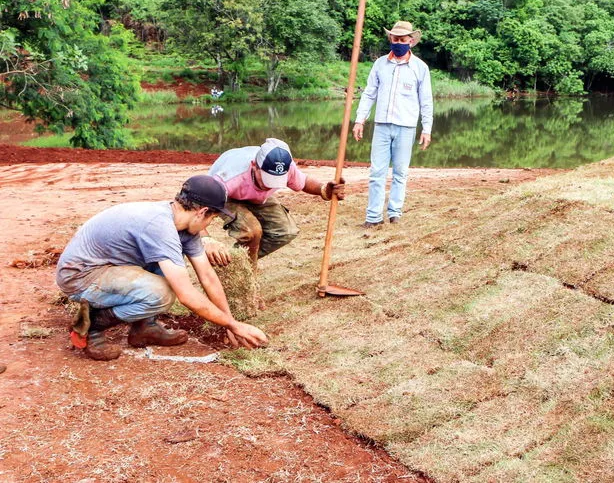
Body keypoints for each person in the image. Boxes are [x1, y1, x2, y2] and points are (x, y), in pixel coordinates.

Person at [56, 175, 270, 361]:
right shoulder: (160, 227)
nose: (209, 225)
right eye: (212, 218)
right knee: (163, 294)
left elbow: (207, 276)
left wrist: (229, 323)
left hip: (111, 266)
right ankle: (91, 326)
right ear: (201, 212)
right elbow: (186, 295)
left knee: (171, 268)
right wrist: (235, 325)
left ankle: (144, 328)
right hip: (81, 276)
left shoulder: (183, 227)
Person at [202, 138, 345, 268]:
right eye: (266, 179)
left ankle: (236, 263)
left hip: (255, 196)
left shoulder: (284, 166)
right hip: (226, 196)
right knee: (252, 231)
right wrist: (206, 239)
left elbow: (303, 182)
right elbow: (199, 205)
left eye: (276, 180)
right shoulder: (228, 177)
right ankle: (242, 269)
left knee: (285, 231)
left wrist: (324, 190)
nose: (269, 185)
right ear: (254, 166)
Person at [352, 20, 433, 228]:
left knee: (400, 172)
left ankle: (395, 213)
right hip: (381, 126)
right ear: (390, 39)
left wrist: (427, 129)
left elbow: (426, 101)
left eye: (402, 39)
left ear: (411, 41)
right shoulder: (380, 64)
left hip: (406, 127)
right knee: (377, 172)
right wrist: (360, 120)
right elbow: (369, 93)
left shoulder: (420, 68)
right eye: (395, 39)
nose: (398, 42)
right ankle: (373, 217)